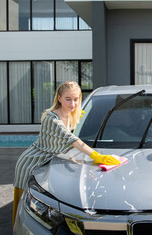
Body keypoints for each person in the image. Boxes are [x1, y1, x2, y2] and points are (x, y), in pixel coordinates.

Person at [12, 81, 120, 227]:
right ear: (59, 98)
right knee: (24, 209)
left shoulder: (70, 114)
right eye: (68, 99)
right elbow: (73, 140)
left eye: (76, 99)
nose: (73, 103)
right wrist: (97, 156)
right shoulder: (53, 120)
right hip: (32, 162)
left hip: (50, 159)